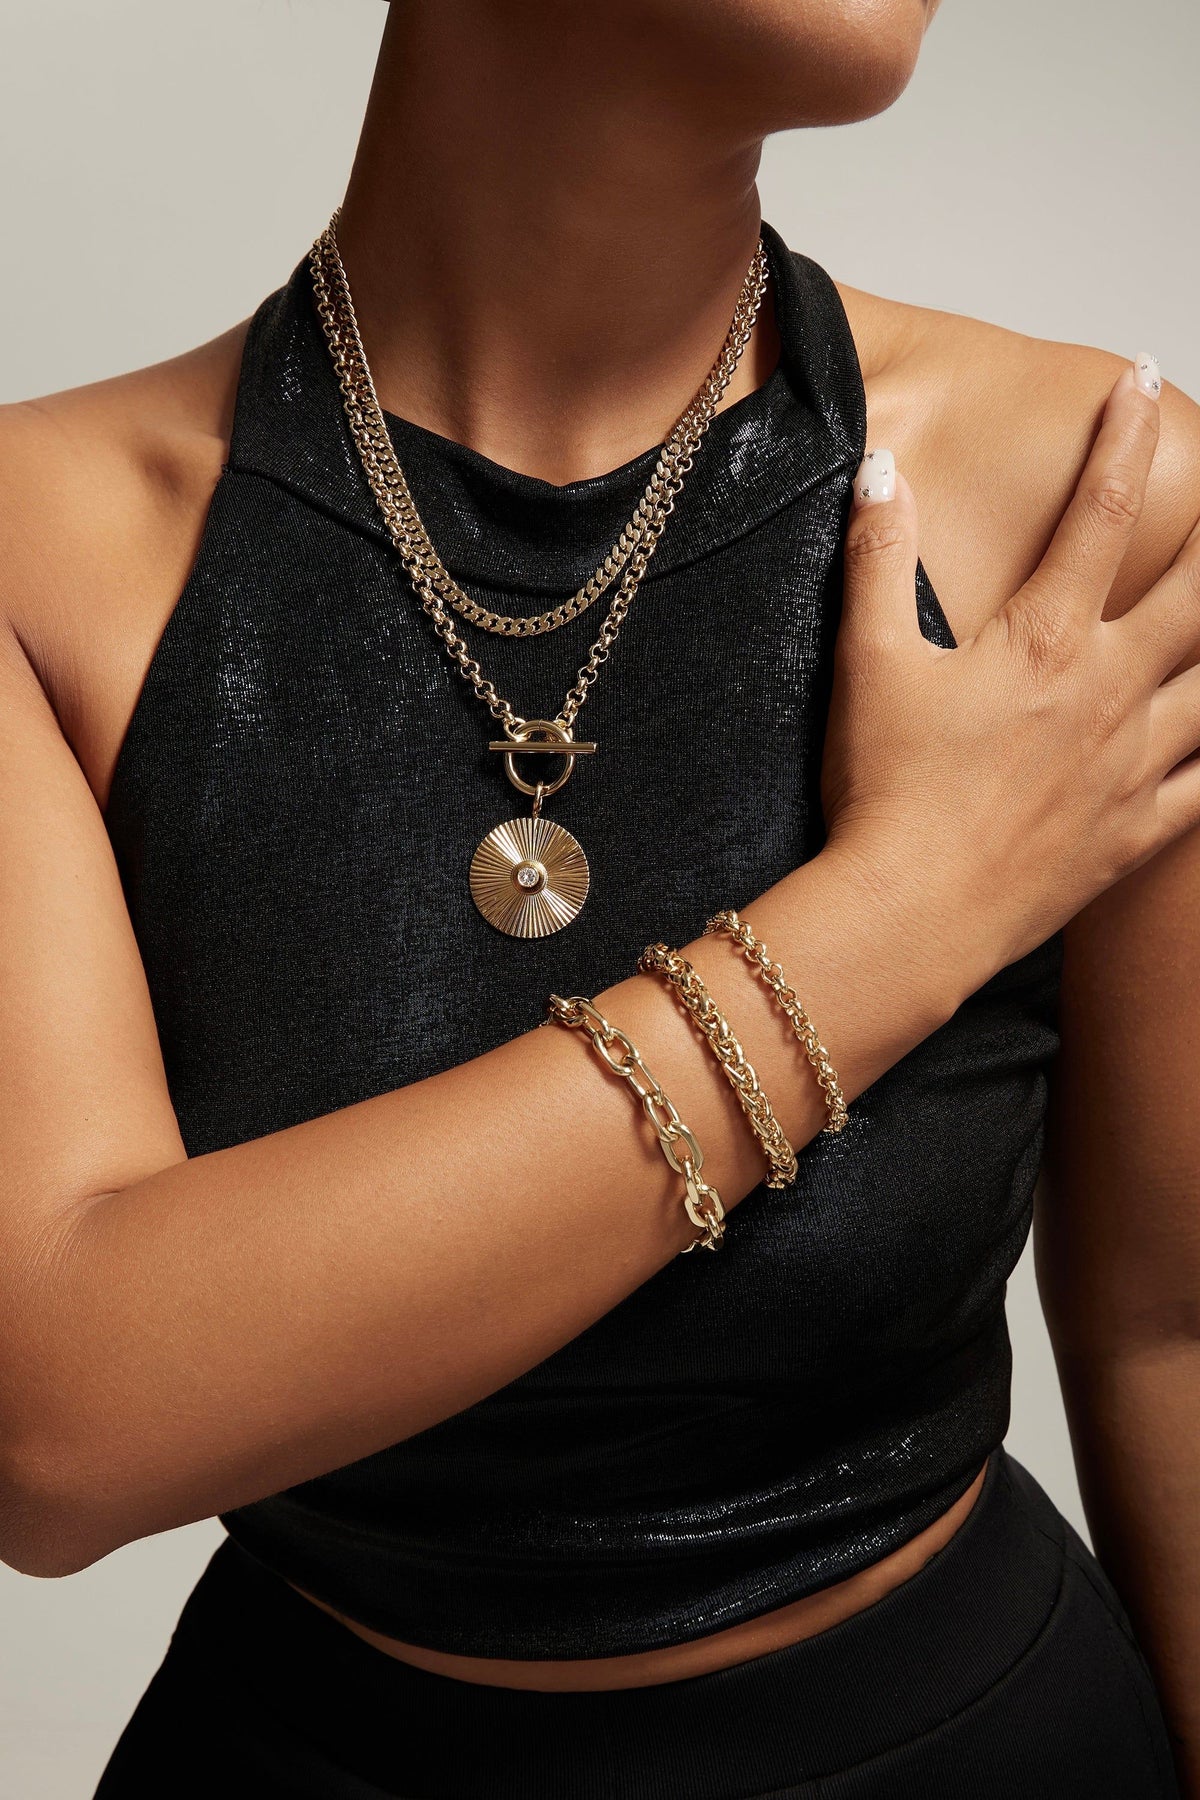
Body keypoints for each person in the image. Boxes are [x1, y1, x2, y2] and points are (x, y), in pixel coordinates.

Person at [1, 1, 1197, 1794]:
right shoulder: (38, 554)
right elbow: (59, 1423)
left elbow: (1175, 1334)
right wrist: (912, 908)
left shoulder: (1091, 506)